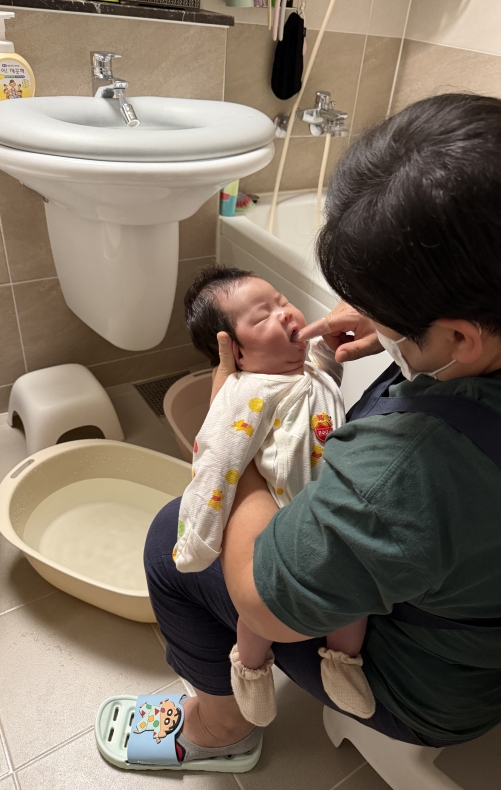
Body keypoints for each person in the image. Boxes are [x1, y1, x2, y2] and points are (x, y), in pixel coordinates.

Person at [97, 93, 501, 771]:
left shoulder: (407, 468)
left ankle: (220, 731)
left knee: (169, 539)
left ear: (461, 336)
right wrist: (397, 324)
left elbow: (261, 601)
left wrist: (231, 439)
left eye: (390, 317)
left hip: (431, 692)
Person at [174, 265, 373, 727]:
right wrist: (196, 537)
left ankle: (342, 662)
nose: (284, 314)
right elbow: (216, 462)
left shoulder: (309, 368)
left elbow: (326, 373)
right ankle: (250, 668)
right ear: (237, 353)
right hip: (284, 523)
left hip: (334, 514)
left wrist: (333, 341)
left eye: (282, 302)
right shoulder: (247, 391)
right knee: (255, 615)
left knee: (355, 594)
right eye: (262, 317)